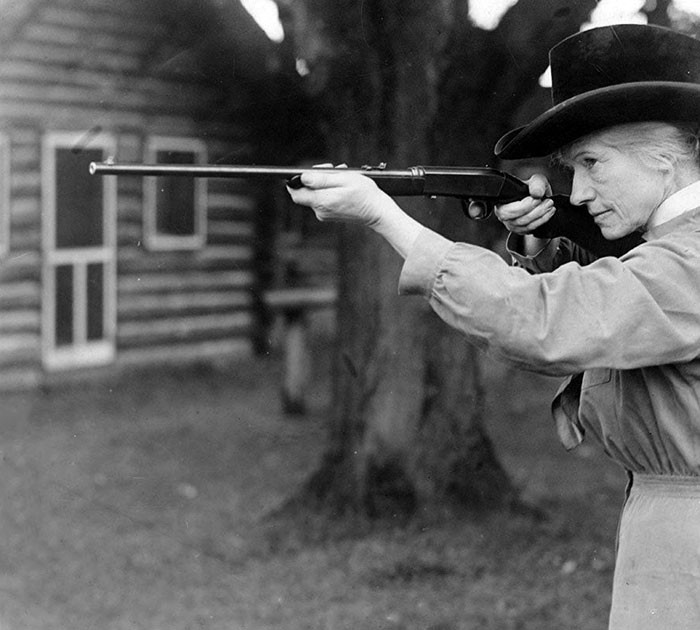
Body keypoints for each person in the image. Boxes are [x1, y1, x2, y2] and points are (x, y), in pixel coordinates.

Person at [287, 23, 700, 629]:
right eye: (570, 169)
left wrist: (385, 217)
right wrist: (538, 241)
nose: (578, 191)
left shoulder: (688, 256)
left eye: (591, 163)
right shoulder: (671, 248)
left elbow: (548, 321)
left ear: (663, 156)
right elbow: (622, 300)